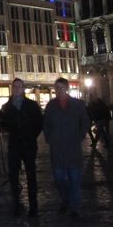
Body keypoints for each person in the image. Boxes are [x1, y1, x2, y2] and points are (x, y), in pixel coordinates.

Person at [43, 78, 90, 218]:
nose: (59, 90)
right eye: (57, 88)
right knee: (59, 179)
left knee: (74, 179)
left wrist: (80, 136)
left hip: (73, 148)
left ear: (67, 88)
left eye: (61, 87)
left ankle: (74, 207)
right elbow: (46, 124)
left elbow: (85, 121)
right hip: (57, 149)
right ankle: (65, 198)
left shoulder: (77, 104)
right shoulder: (51, 106)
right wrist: (49, 138)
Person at [0, 78, 43, 217]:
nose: (17, 88)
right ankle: (16, 205)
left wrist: (31, 136)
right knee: (13, 177)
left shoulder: (32, 105)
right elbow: (1, 123)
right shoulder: (6, 107)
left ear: (23, 89)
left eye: (19, 86)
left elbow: (39, 123)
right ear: (12, 88)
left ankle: (33, 206)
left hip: (29, 145)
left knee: (31, 176)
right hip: (14, 146)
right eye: (15, 86)